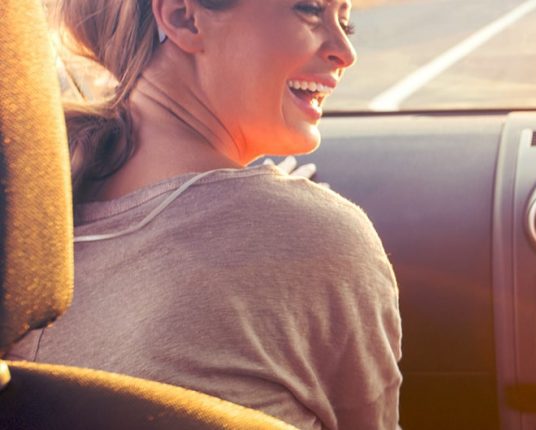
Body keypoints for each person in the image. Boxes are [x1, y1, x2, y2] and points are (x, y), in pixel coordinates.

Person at [6, 0, 401, 428]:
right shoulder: (318, 238)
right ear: (182, 17)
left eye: (346, 22)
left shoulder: (30, 212)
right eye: (309, 10)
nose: (345, 51)